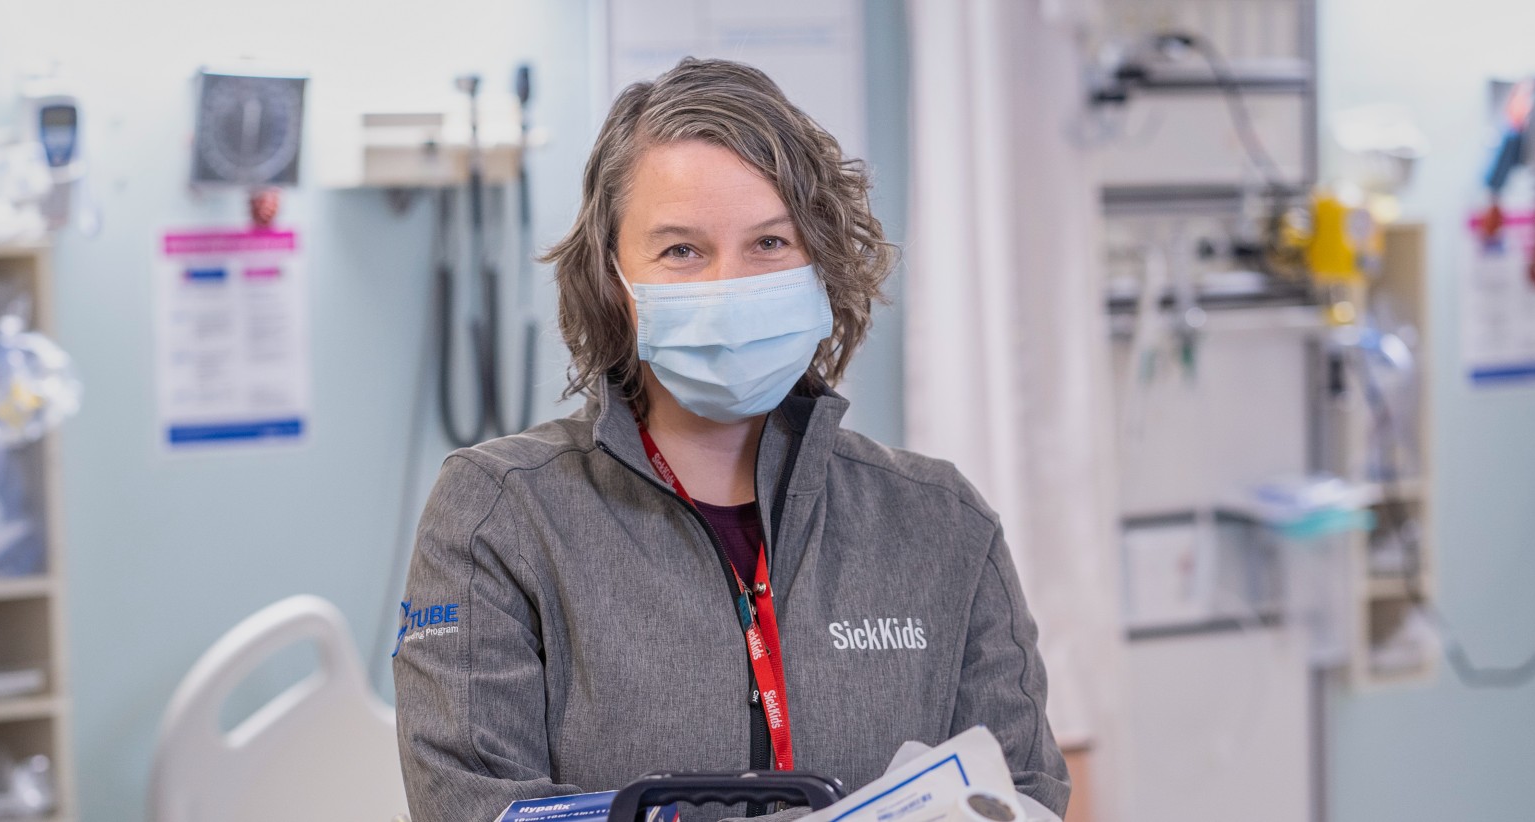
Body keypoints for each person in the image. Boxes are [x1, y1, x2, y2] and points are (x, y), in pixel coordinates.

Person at [393, 57, 1068, 822]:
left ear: (820, 261)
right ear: (615, 278)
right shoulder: (501, 517)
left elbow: (1021, 796)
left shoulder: (941, 524)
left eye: (770, 244)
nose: (728, 285)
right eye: (681, 250)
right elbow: (470, 804)